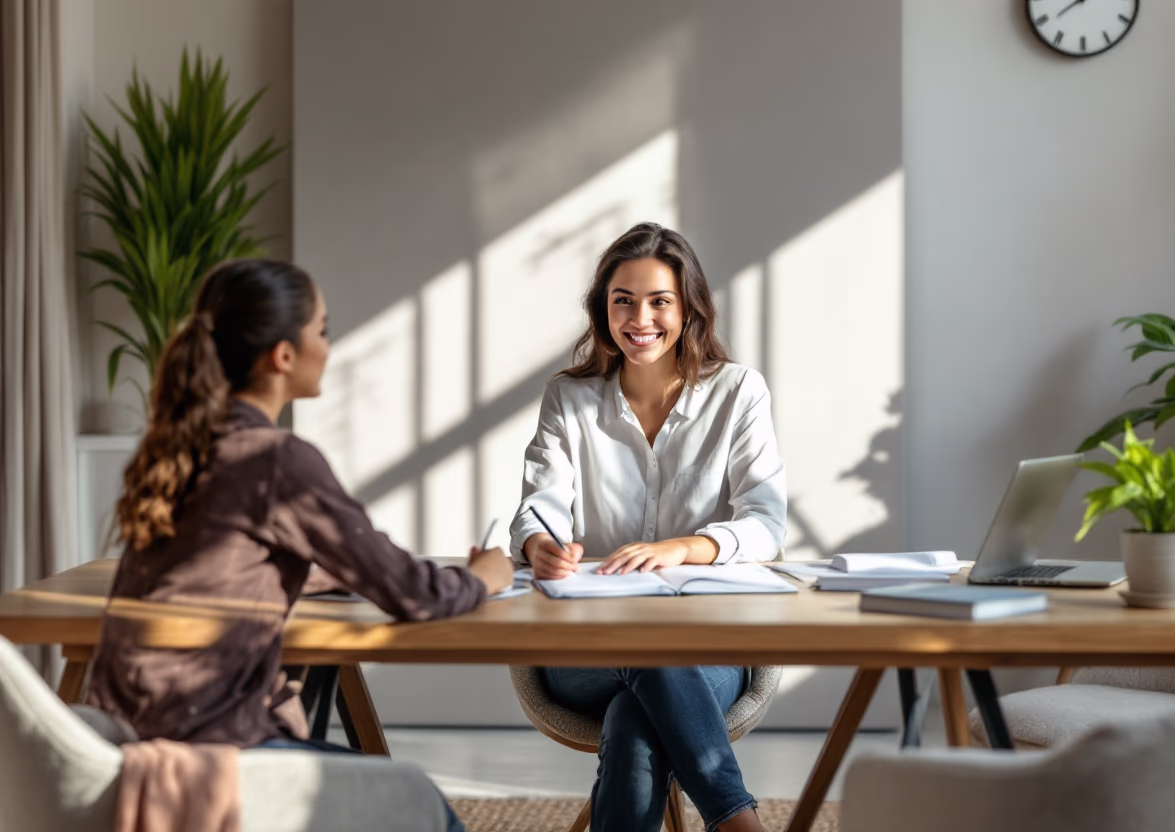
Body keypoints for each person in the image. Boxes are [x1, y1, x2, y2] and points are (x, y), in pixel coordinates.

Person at [86, 259, 513, 832]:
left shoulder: (181, 448)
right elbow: (414, 594)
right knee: (422, 801)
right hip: (217, 743)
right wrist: (486, 576)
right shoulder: (276, 458)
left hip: (136, 731)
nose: (328, 346)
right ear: (283, 356)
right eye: (322, 330)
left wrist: (318, 571)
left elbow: (218, 563)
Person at [509, 223, 786, 832]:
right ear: (602, 309)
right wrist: (542, 547)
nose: (641, 318)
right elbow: (538, 510)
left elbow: (767, 525)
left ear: (688, 308)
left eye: (660, 300)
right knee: (644, 655)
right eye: (623, 300)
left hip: (708, 650)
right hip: (587, 651)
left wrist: (682, 549)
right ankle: (739, 822)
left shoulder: (738, 394)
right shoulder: (569, 398)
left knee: (634, 721)